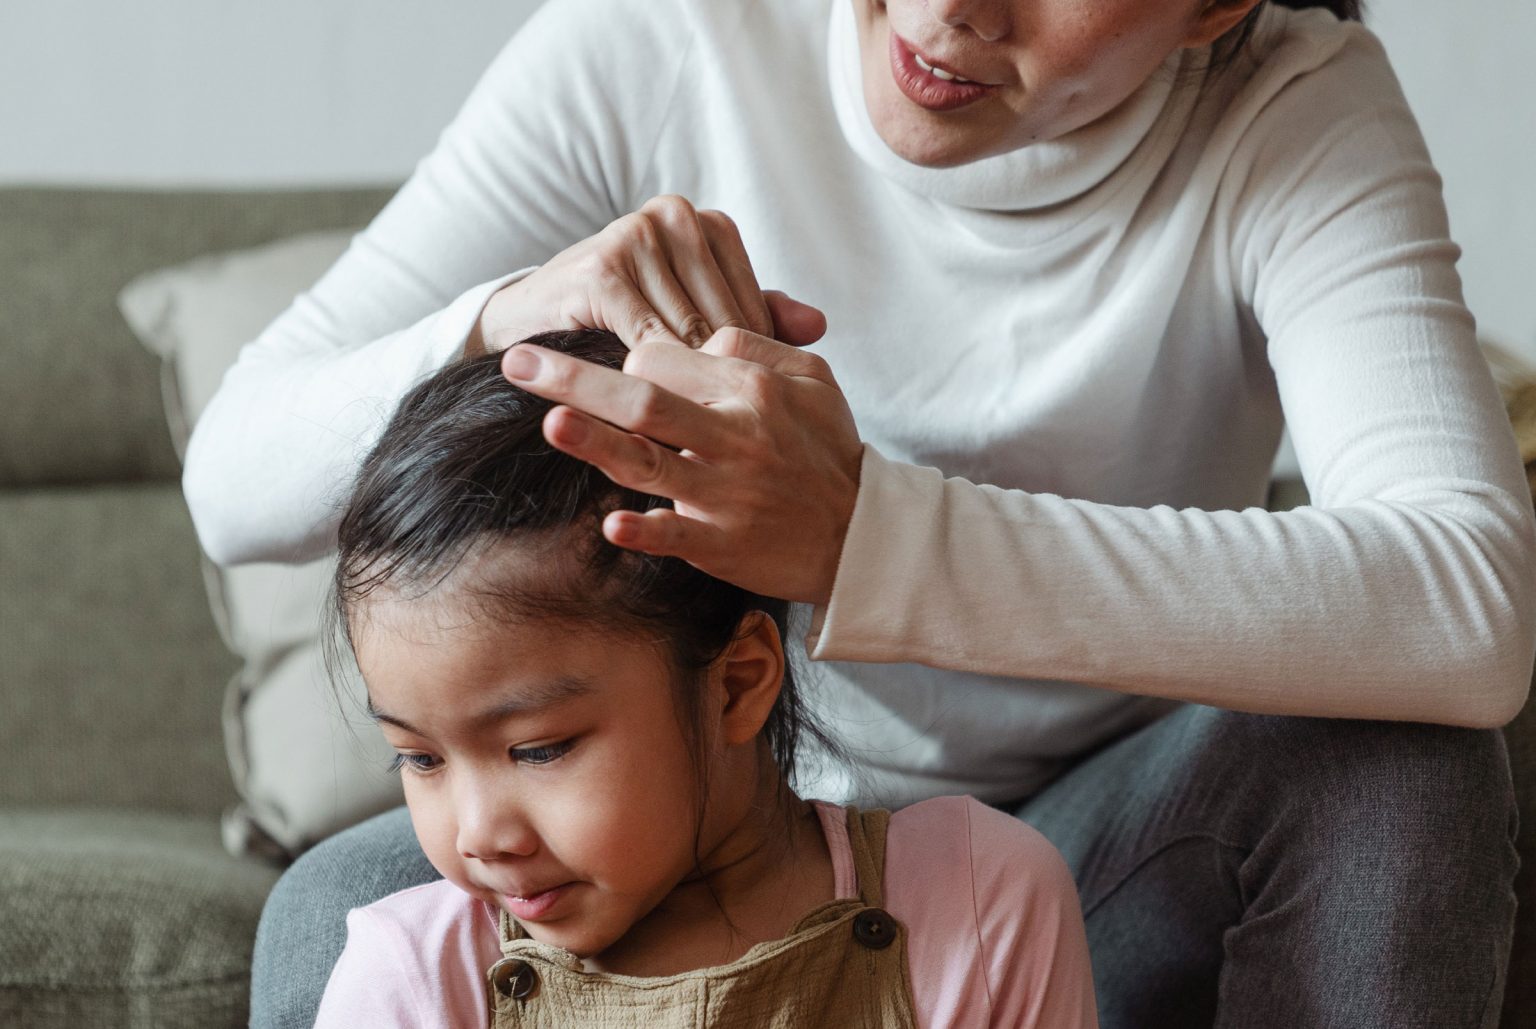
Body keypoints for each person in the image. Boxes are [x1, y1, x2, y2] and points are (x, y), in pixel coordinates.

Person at [185, 0, 1531, 1025]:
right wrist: (505, 310)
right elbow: (234, 478)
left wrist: (866, 537)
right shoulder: (669, 39)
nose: (956, 12)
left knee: (1409, 761)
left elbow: (1467, 607)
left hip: (1101, 848)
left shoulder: (1290, 110)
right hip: (711, 805)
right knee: (333, 911)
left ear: (1217, 12)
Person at [310, 328, 1097, 1027]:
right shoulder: (413, 981)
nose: (478, 835)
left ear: (737, 683)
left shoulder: (976, 904)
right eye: (420, 757)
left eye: (539, 749)